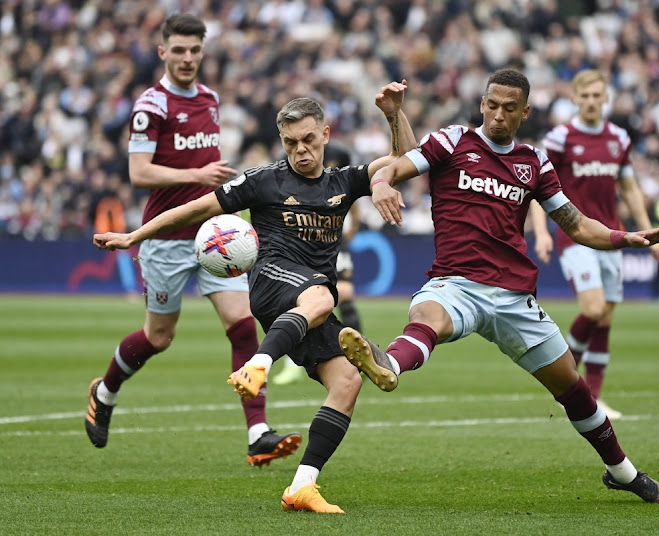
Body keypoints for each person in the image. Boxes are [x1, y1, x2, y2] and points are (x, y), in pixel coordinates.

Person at [338, 68, 659, 504]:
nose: (498, 115)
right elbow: (400, 164)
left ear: (525, 113)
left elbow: (576, 224)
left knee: (573, 390)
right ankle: (389, 364)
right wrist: (381, 182)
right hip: (456, 282)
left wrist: (625, 237)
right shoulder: (453, 140)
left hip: (514, 296)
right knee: (427, 318)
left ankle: (623, 471)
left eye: (509, 109)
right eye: (492, 105)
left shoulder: (534, 162)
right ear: (482, 104)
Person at [93, 79, 417, 513]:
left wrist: (394, 114)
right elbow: (196, 209)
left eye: (307, 140)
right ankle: (258, 365)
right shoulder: (264, 180)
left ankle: (302, 485)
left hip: (307, 302)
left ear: (324, 135)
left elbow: (406, 160)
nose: (300, 150)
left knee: (347, 380)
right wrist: (136, 234)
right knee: (325, 294)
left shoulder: (344, 181)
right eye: (290, 143)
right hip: (270, 281)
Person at [84, 14, 301, 468]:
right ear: (163, 52)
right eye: (178, 50)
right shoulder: (151, 106)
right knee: (158, 337)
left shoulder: (210, 99)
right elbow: (139, 173)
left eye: (194, 50)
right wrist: (196, 175)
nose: (187, 58)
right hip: (165, 236)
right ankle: (104, 392)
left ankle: (257, 433)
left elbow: (208, 167)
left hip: (215, 233)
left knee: (243, 326)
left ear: (203, 53)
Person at [529, 69, 659, 419]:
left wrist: (648, 233)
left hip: (612, 236)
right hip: (575, 236)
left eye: (596, 96)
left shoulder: (618, 138)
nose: (590, 101)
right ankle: (566, 379)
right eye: (584, 96)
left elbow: (630, 188)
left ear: (605, 98)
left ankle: (593, 397)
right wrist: (542, 233)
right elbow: (539, 188)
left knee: (604, 317)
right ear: (575, 99)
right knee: (592, 308)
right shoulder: (560, 138)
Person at [272, 141, 364, 386]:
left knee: (344, 293)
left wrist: (355, 220)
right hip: (302, 239)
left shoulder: (341, 153)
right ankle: (293, 365)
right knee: (302, 301)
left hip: (332, 234)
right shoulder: (289, 156)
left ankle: (361, 360)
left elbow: (350, 188)